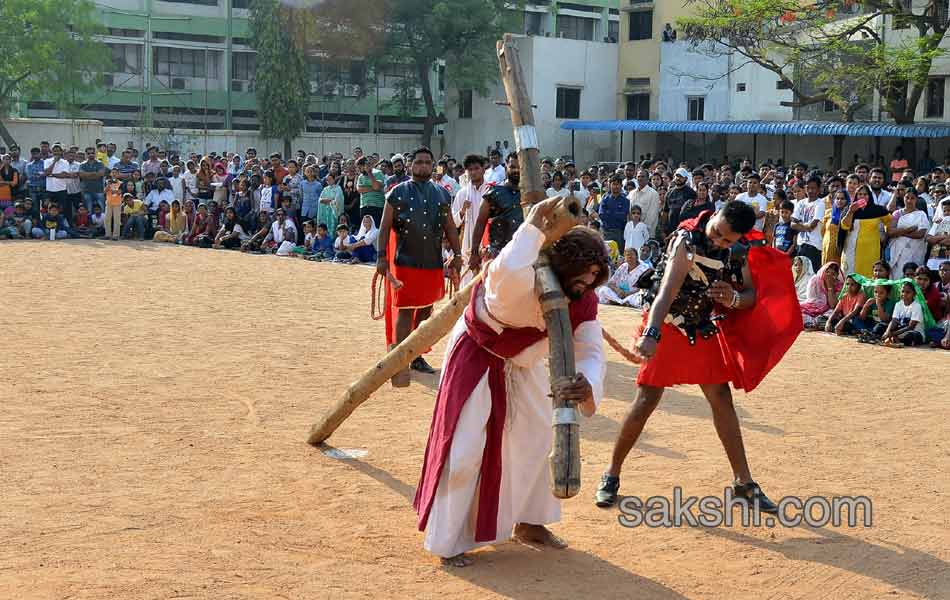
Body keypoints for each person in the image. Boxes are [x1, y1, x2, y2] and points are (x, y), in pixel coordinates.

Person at [414, 201, 608, 567]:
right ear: (564, 267)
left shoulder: (584, 300)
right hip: (477, 355)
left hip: (524, 365)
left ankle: (531, 523)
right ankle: (449, 539)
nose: (585, 287)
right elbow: (506, 274)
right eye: (582, 277)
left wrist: (587, 382)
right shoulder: (520, 274)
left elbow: (590, 351)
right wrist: (532, 228)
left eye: (592, 281)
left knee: (538, 436)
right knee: (465, 449)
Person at [595, 201, 800, 512]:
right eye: (717, 233)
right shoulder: (686, 239)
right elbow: (667, 288)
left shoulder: (740, 251)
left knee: (721, 397)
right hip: (667, 323)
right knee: (646, 399)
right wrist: (651, 332)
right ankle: (611, 474)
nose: (718, 241)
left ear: (739, 238)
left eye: (727, 240)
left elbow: (750, 296)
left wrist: (732, 298)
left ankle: (743, 482)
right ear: (715, 215)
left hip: (701, 328)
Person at [377, 147, 462, 380]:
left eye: (427, 162)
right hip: (405, 262)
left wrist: (457, 253)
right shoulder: (396, 193)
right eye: (419, 162)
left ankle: (415, 355)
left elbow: (450, 227)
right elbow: (384, 227)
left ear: (433, 165)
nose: (423, 166)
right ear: (410, 165)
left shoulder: (443, 194)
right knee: (405, 312)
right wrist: (380, 257)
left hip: (432, 262)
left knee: (425, 311)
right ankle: (398, 361)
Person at [468, 153, 524, 274]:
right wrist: (474, 253)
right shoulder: (494, 192)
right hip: (497, 255)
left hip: (524, 255)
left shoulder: (530, 195)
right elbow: (480, 223)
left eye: (520, 167)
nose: (516, 170)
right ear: (506, 168)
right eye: (513, 167)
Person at [451, 155, 492, 285]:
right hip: (468, 243)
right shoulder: (462, 194)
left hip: (488, 240)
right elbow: (453, 222)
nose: (473, 172)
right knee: (468, 280)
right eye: (470, 170)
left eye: (476, 168)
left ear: (483, 169)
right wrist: (462, 211)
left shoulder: (491, 191)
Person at [840, 184, 891, 277]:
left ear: (870, 196)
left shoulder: (878, 210)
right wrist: (851, 211)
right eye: (859, 194)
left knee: (869, 276)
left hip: (871, 250)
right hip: (852, 249)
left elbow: (890, 222)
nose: (862, 197)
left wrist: (885, 237)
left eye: (865, 194)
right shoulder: (849, 209)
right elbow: (844, 226)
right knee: (851, 276)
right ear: (856, 196)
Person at [887, 188, 930, 276]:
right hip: (897, 252)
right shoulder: (897, 213)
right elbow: (890, 232)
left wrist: (900, 233)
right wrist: (908, 230)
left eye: (912, 198)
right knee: (896, 275)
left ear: (916, 199)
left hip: (915, 251)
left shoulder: (921, 214)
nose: (909, 200)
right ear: (903, 198)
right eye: (907, 197)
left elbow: (920, 234)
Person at [790, 176, 825, 272]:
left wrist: (799, 224)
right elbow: (792, 223)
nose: (810, 190)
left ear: (819, 189)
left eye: (813, 188)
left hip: (814, 245)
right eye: (808, 188)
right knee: (799, 274)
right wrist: (805, 226)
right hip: (801, 244)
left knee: (811, 275)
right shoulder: (801, 202)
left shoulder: (820, 204)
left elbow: (812, 226)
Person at [881, 282, 928, 347]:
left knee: (910, 336)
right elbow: (894, 320)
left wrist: (893, 334)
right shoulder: (898, 304)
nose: (904, 294)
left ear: (914, 294)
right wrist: (887, 332)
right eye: (902, 291)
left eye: (908, 292)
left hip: (914, 332)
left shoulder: (917, 306)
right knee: (881, 327)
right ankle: (894, 339)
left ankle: (895, 340)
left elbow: (911, 327)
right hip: (900, 331)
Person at [800, 262, 844, 328]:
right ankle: (813, 323)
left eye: (833, 274)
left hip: (828, 310)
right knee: (798, 311)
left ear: (837, 275)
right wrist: (820, 307)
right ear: (823, 271)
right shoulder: (815, 280)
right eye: (827, 272)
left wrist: (830, 286)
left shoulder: (838, 285)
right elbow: (812, 300)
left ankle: (815, 323)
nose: (829, 275)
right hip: (813, 307)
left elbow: (833, 305)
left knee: (833, 315)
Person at [598, 175, 629, 252]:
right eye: (614, 184)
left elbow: (623, 216)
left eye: (618, 184)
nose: (616, 186)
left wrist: (609, 212)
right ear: (610, 185)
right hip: (606, 231)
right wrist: (616, 213)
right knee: (606, 255)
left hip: (619, 232)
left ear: (621, 186)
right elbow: (602, 215)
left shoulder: (626, 200)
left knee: (619, 255)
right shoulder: (605, 199)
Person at [821, 189, 850, 266]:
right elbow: (823, 230)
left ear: (847, 200)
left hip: (841, 248)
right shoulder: (828, 212)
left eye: (842, 199)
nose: (839, 201)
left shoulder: (849, 214)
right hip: (827, 247)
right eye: (837, 198)